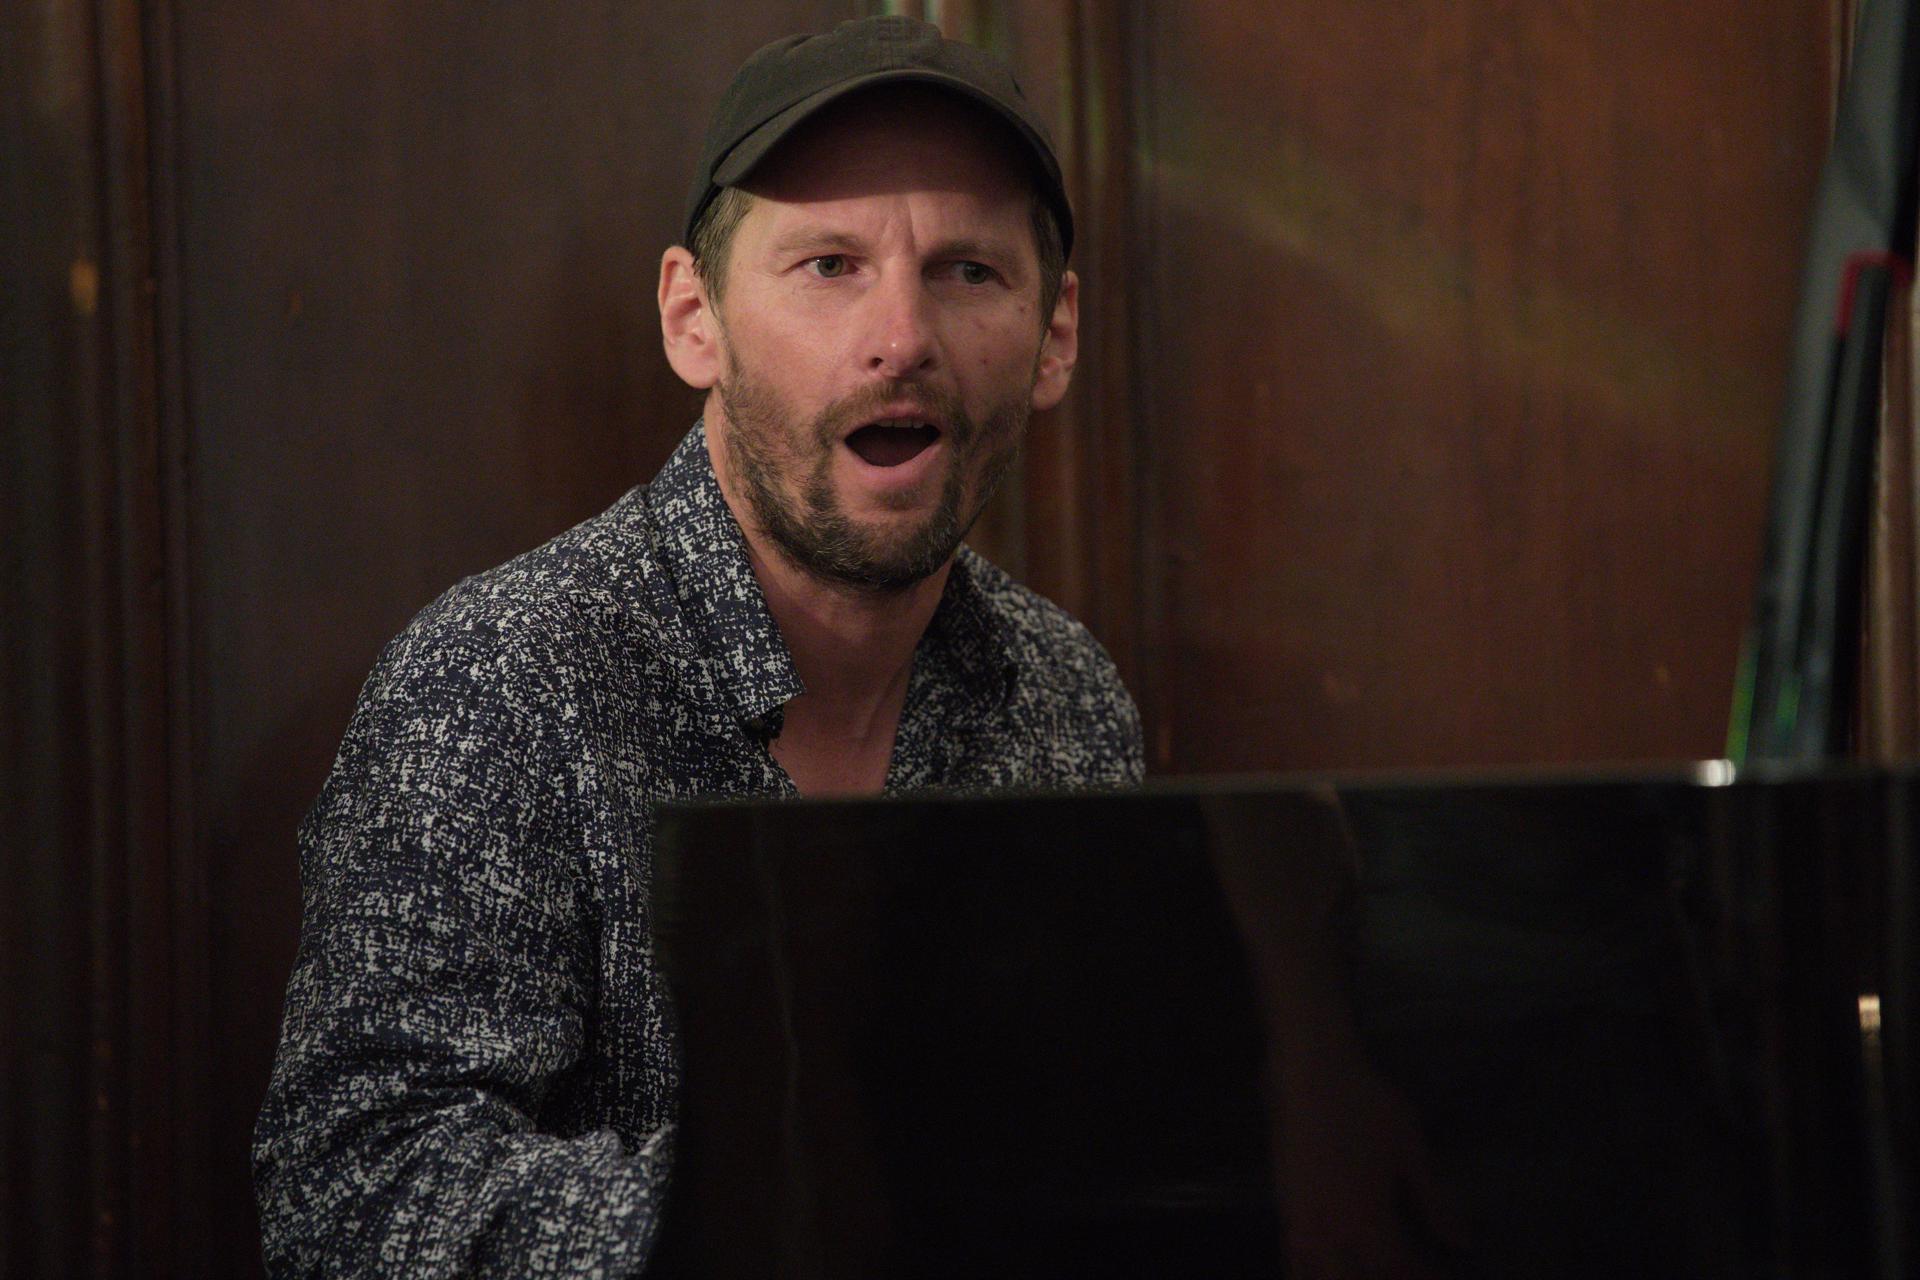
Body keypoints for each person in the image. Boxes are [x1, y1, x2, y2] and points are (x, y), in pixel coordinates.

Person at [252, 15, 1142, 1276]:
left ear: (1053, 334)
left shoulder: (1066, 692)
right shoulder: (500, 678)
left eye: (968, 271)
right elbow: (357, 1197)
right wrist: (820, 1195)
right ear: (693, 318)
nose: (902, 337)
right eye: (828, 264)